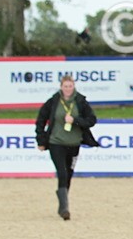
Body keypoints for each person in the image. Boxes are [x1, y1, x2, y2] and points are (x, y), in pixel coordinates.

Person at [35, 74, 99, 220]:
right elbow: (40, 120)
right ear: (61, 87)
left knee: (69, 174)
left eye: (70, 86)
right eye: (65, 86)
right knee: (62, 172)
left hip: (74, 143)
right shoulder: (53, 101)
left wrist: (75, 120)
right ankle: (64, 208)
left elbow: (91, 120)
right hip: (56, 142)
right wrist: (41, 140)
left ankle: (62, 203)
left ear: (74, 86)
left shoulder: (81, 101)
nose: (68, 89)